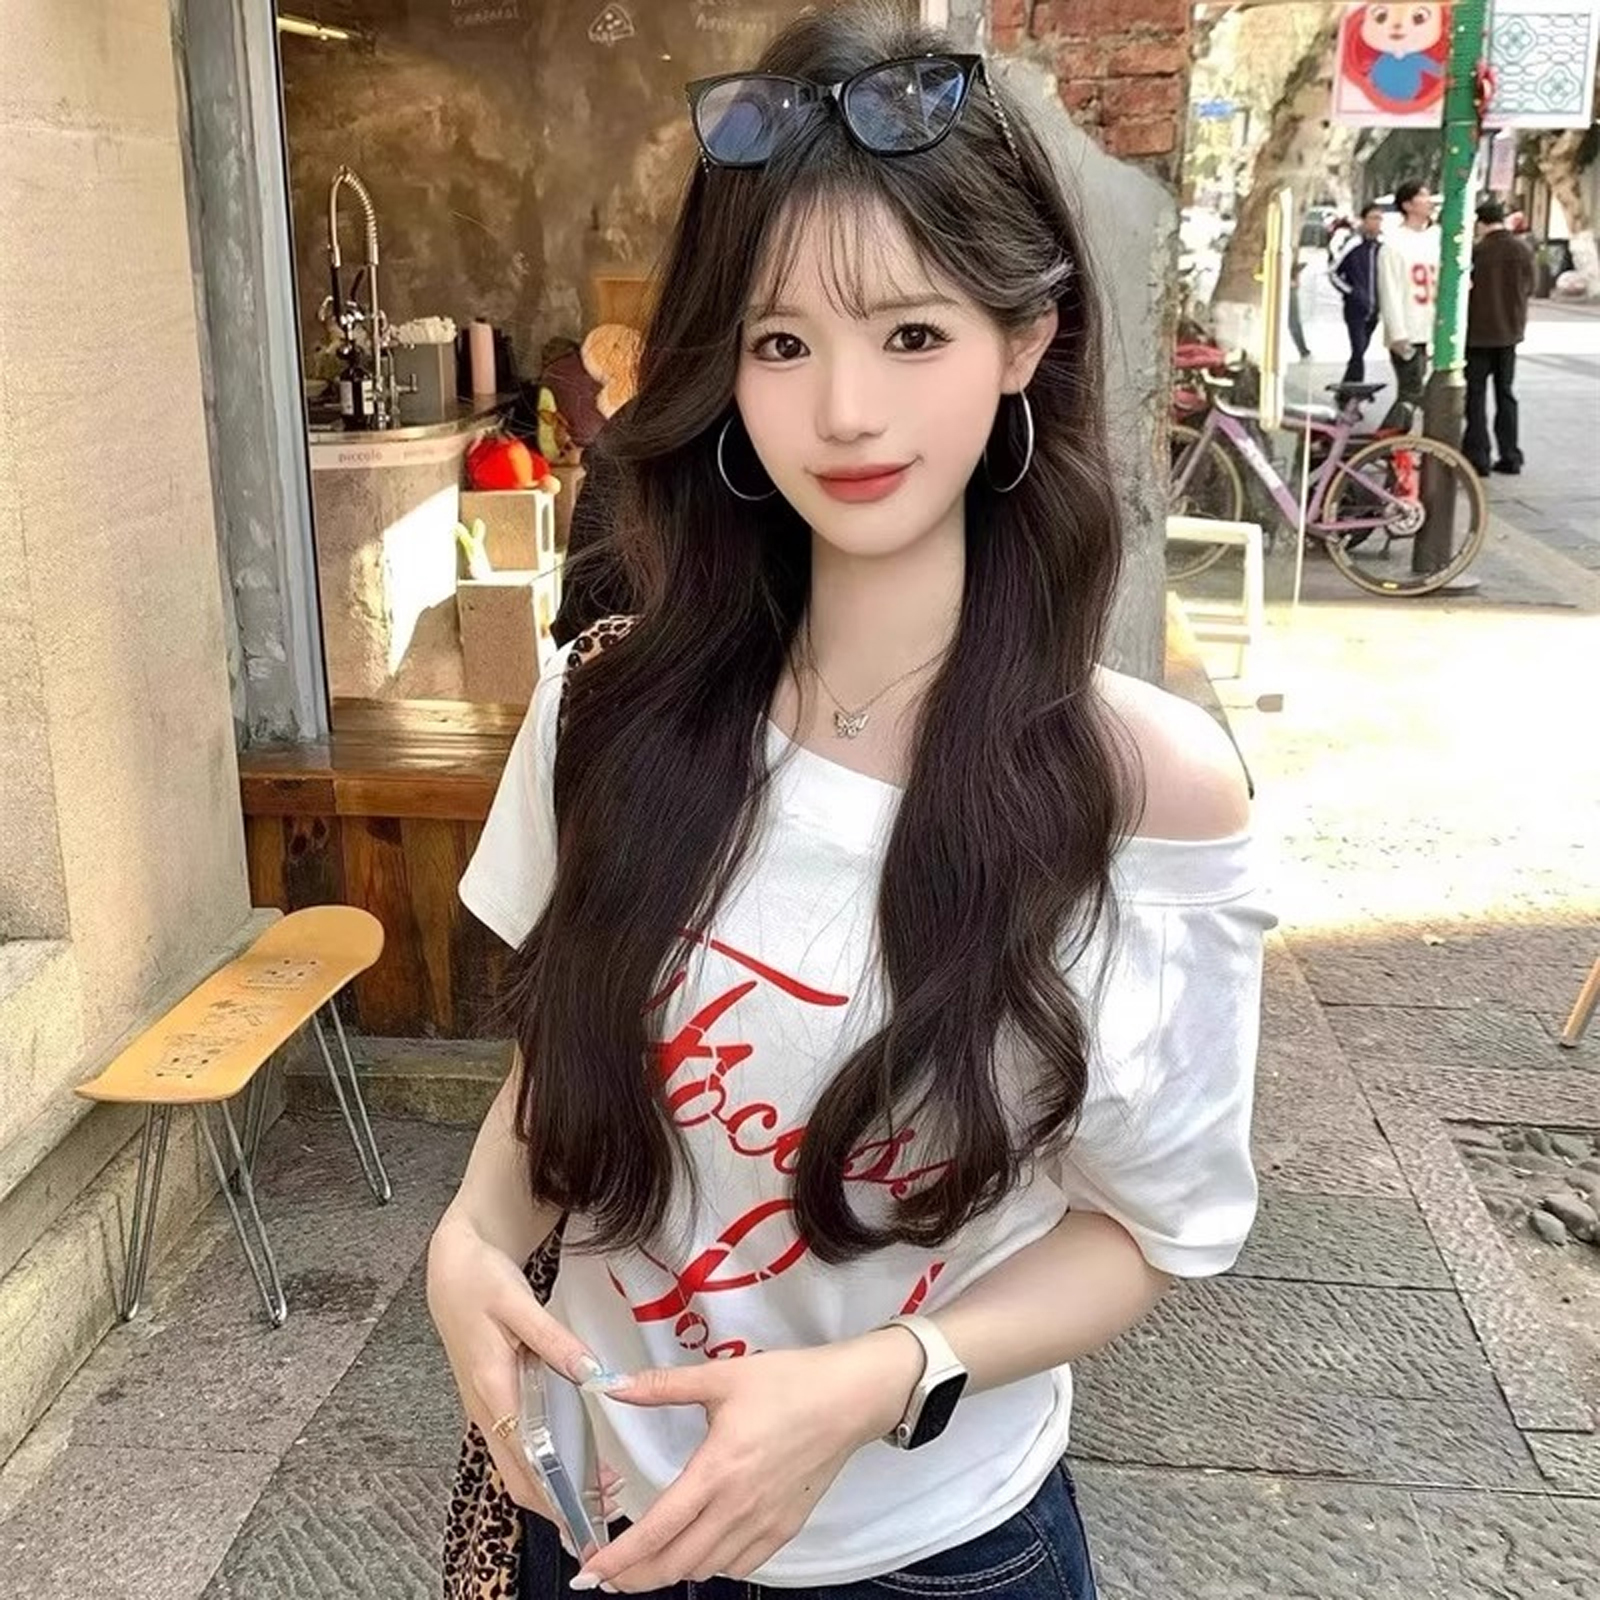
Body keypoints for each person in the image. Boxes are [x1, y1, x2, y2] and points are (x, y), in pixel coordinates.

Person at [429, 9, 1275, 1600]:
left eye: (910, 334)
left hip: (926, 1554)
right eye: (779, 343)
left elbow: (1149, 1227)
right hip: (590, 1520)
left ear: (1024, 340)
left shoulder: (1145, 792)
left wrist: (885, 1377)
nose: (845, 413)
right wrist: (468, 1236)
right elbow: (560, 1072)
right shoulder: (610, 704)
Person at [1462, 199, 1535, 477]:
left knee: (1476, 395)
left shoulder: (1476, 252)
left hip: (1478, 335)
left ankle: (1478, 456)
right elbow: (1530, 286)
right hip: (1509, 334)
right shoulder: (1522, 249)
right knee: (1505, 394)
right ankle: (1510, 455)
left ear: (1481, 223)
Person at [1377, 179, 1439, 427]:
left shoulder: (1438, 237)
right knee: (1411, 392)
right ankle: (1387, 438)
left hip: (1433, 327)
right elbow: (1389, 291)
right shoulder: (1393, 244)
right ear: (1407, 205)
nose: (1429, 201)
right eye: (1422, 196)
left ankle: (1399, 439)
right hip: (1409, 331)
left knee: (1422, 394)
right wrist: (1398, 334)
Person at [1329, 202, 1385, 383]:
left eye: (1379, 218)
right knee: (1358, 349)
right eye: (1373, 218)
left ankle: (1346, 388)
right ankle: (1355, 389)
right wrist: (1351, 292)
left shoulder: (1382, 248)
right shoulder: (1353, 245)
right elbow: (1333, 272)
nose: (1377, 222)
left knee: (1360, 351)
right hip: (1355, 308)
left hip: (1375, 309)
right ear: (1364, 220)